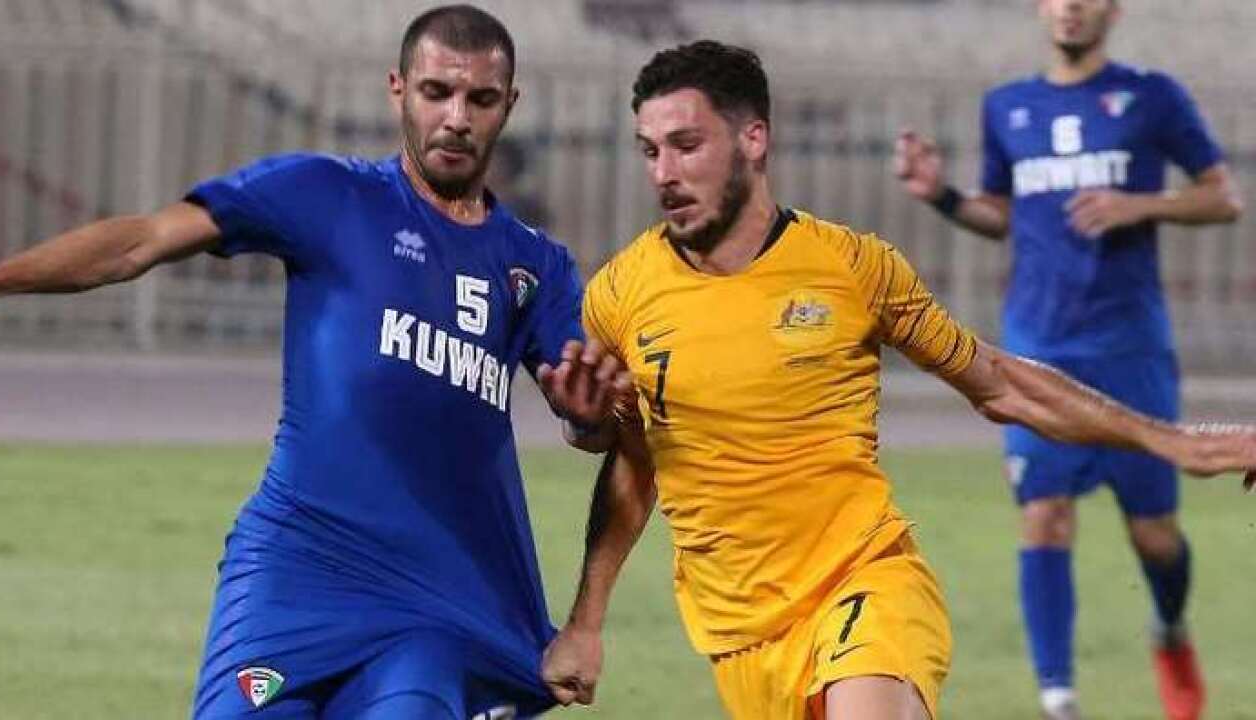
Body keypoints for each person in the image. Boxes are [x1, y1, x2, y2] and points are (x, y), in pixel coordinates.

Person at [534, 40, 1256, 720]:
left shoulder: (853, 267)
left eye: (686, 145)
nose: (663, 171)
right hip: (737, 633)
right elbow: (631, 461)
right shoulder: (622, 294)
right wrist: (585, 612)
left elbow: (999, 383)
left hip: (865, 582)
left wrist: (1180, 444)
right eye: (649, 151)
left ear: (753, 139)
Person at [0, 6, 625, 719]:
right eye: (436, 91)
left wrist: (588, 421)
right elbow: (141, 242)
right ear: (397, 90)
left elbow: (590, 420)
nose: (457, 117)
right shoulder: (326, 195)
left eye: (480, 98)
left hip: (437, 597)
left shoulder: (535, 264)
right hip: (301, 562)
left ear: (510, 106)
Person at [892, 1, 1243, 717]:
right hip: (1038, 346)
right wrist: (943, 196)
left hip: (1130, 348)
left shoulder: (1152, 96)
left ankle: (1169, 626)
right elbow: (1002, 215)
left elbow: (1223, 198)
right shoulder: (1008, 106)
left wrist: (1140, 206)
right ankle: (1060, 700)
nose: (1070, 7)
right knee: (1044, 516)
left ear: (1111, 10)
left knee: (1156, 535)